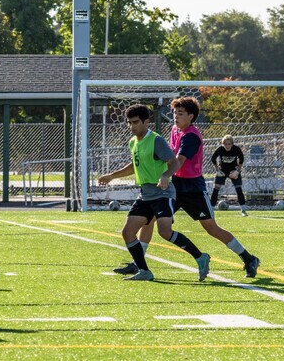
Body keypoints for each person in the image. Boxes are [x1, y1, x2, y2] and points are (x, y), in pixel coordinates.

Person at [98, 104, 211, 281]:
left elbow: (173, 162)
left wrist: (166, 175)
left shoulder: (156, 141)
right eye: (129, 122)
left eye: (135, 122)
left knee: (165, 232)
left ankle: (200, 257)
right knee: (127, 232)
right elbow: (135, 166)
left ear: (146, 122)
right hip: (145, 194)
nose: (131, 126)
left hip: (162, 193)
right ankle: (144, 271)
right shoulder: (133, 142)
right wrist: (112, 176)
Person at [169, 96, 260, 278]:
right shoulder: (175, 130)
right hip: (174, 185)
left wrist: (162, 173)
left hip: (192, 188)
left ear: (191, 116)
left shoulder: (192, 136)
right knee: (150, 218)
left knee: (211, 228)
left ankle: (248, 258)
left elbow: (178, 161)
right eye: (174, 113)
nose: (175, 117)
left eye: (180, 114)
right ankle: (139, 263)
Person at [210, 135, 248, 216]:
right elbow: (213, 158)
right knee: (216, 188)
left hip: (233, 170)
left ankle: (243, 210)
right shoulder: (220, 149)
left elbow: (241, 158)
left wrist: (237, 171)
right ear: (222, 144)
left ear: (232, 144)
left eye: (229, 144)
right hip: (222, 170)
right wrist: (217, 170)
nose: (227, 146)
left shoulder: (236, 149)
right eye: (225, 144)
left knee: (238, 188)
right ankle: (210, 209)